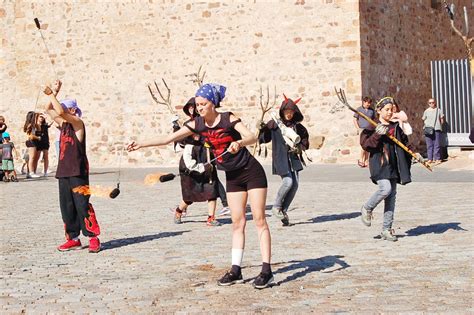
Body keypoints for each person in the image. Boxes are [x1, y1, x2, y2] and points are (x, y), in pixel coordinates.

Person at [128, 83, 273, 289]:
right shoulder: (197, 124)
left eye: (203, 104)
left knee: (259, 219)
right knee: (237, 222)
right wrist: (141, 143)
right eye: (197, 105)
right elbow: (169, 138)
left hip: (251, 172)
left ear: (213, 104)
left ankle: (266, 271)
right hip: (233, 176)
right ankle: (236, 270)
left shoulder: (227, 118)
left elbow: (252, 136)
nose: (199, 108)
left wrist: (239, 143)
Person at [43, 80, 101, 253]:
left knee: (82, 204)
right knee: (66, 206)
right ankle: (73, 238)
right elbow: (49, 109)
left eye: (65, 108)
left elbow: (58, 110)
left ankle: (93, 237)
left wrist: (51, 95)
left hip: (78, 171)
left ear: (73, 110)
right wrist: (55, 91)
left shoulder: (77, 124)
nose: (61, 112)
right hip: (64, 171)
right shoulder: (63, 126)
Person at [359, 97, 412, 242]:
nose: (389, 112)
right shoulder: (372, 126)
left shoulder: (395, 127)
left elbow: (404, 144)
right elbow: (366, 145)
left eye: (391, 109)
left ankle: (386, 229)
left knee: (391, 197)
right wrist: (377, 134)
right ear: (379, 111)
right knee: (385, 189)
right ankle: (367, 208)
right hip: (379, 163)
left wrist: (415, 154)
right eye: (386, 109)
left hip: (393, 165)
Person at [259, 94, 309, 226]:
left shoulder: (297, 126)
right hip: (280, 158)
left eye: (291, 112)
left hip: (293, 158)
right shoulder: (275, 124)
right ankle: (276, 207)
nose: (289, 114)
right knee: (288, 182)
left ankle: (283, 211)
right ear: (282, 111)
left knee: (295, 185)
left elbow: (304, 139)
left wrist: (300, 148)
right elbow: (264, 137)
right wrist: (261, 128)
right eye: (287, 111)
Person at [172, 97, 222, 227]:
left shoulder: (207, 122)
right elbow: (181, 142)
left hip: (206, 157)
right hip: (192, 159)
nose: (192, 109)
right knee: (190, 195)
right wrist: (192, 136)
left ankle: (211, 218)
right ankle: (179, 210)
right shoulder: (189, 124)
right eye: (191, 107)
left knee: (211, 190)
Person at [353, 97, 375, 168]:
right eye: (367, 102)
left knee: (368, 145)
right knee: (363, 145)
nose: (368, 104)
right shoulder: (359, 109)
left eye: (369, 103)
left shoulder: (371, 110)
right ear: (364, 102)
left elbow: (374, 120)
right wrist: (358, 128)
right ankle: (361, 159)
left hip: (370, 130)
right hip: (362, 129)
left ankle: (366, 161)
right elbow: (355, 119)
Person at [422, 98, 445, 164]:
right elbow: (423, 118)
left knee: (436, 144)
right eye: (430, 103)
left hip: (436, 129)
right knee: (429, 145)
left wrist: (439, 125)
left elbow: (442, 120)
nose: (431, 104)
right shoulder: (426, 111)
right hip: (428, 129)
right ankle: (430, 159)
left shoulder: (439, 110)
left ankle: (437, 158)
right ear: (428, 103)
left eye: (433, 102)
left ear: (435, 103)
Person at [23, 111, 41, 178]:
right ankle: (31, 172)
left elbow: (39, 129)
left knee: (32, 158)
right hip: (30, 142)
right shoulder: (30, 125)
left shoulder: (34, 125)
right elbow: (30, 136)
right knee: (32, 158)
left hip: (32, 142)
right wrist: (38, 137)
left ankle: (29, 172)